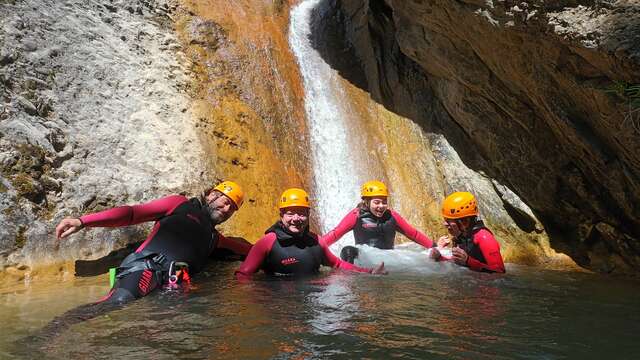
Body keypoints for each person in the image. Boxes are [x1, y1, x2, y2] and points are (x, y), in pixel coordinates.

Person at [55, 180, 251, 303]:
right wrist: (82, 221)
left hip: (172, 288)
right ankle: (51, 333)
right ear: (211, 195)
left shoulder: (214, 239)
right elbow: (132, 214)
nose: (226, 209)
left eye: (232, 208)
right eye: (225, 202)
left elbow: (253, 249)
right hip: (147, 268)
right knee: (117, 302)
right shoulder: (178, 204)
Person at [236, 188, 386, 278]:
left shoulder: (316, 241)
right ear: (281, 215)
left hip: (310, 303)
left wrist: (369, 271)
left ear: (308, 215)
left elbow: (338, 264)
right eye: (290, 214)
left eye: (301, 214)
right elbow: (243, 275)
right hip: (277, 306)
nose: (296, 219)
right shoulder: (268, 242)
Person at [320, 180, 436, 263]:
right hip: (365, 259)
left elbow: (413, 234)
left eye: (384, 202)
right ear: (366, 201)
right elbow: (335, 234)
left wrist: (434, 246)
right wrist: (315, 248)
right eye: (376, 202)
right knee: (347, 251)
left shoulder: (392, 216)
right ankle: (352, 279)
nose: (381, 206)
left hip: (389, 258)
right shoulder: (356, 215)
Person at [432, 191, 505, 273]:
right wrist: (440, 257)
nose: (445, 224)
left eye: (448, 220)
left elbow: (500, 272)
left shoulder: (484, 237)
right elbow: (458, 263)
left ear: (465, 222)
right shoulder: (462, 237)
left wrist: (468, 261)